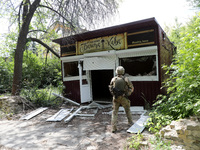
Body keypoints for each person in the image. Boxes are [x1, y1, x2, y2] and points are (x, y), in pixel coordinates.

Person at [109, 66, 134, 133]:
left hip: (115, 98)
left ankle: (113, 128)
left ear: (116, 72)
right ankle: (130, 122)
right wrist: (127, 94)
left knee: (114, 112)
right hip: (123, 97)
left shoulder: (113, 79)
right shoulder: (126, 79)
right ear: (123, 71)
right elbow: (131, 88)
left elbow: (110, 88)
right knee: (127, 110)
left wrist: (114, 94)